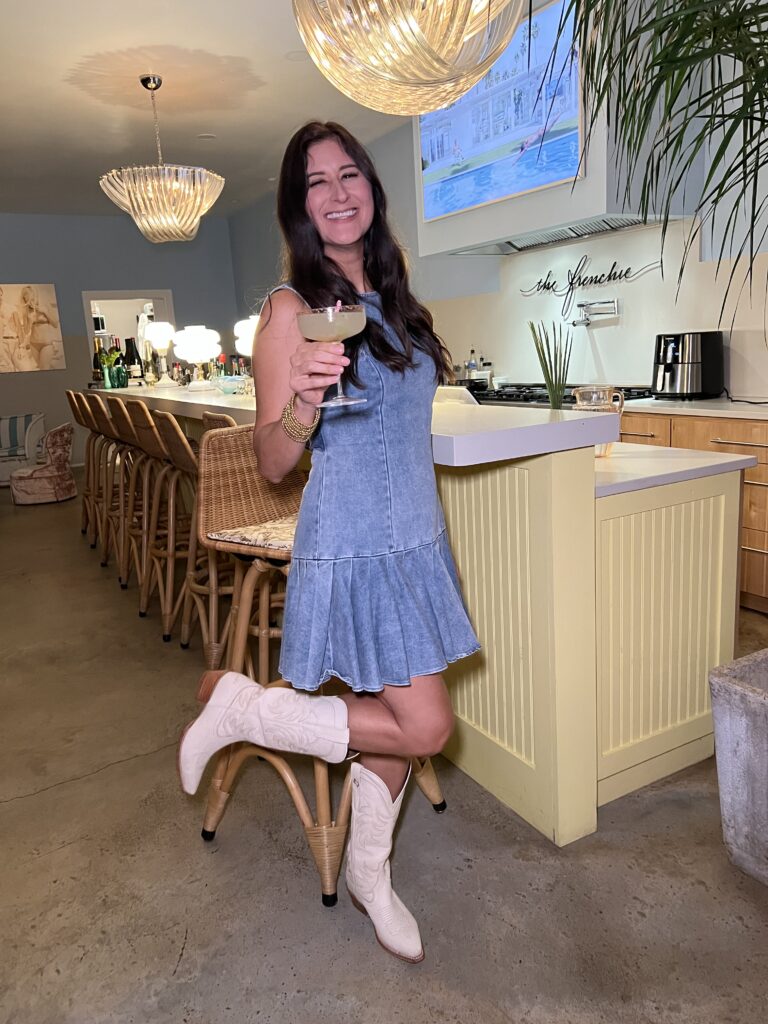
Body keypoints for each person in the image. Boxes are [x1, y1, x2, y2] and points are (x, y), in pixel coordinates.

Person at [178, 121, 480, 964]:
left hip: (414, 539)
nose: (339, 192)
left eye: (351, 175)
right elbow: (275, 462)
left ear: (372, 192)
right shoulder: (287, 311)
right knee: (423, 728)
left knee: (390, 716)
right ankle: (249, 710)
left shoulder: (392, 291)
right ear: (297, 205)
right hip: (354, 546)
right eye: (317, 182)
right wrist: (304, 405)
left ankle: (370, 872)